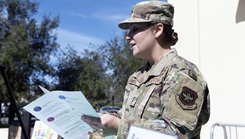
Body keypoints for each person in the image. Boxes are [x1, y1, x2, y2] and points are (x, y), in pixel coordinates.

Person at [84, 0, 210, 139]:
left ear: (157, 30)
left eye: (135, 29)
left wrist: (119, 126)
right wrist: (104, 118)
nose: (127, 36)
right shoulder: (137, 77)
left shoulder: (181, 72)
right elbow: (128, 115)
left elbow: (178, 133)